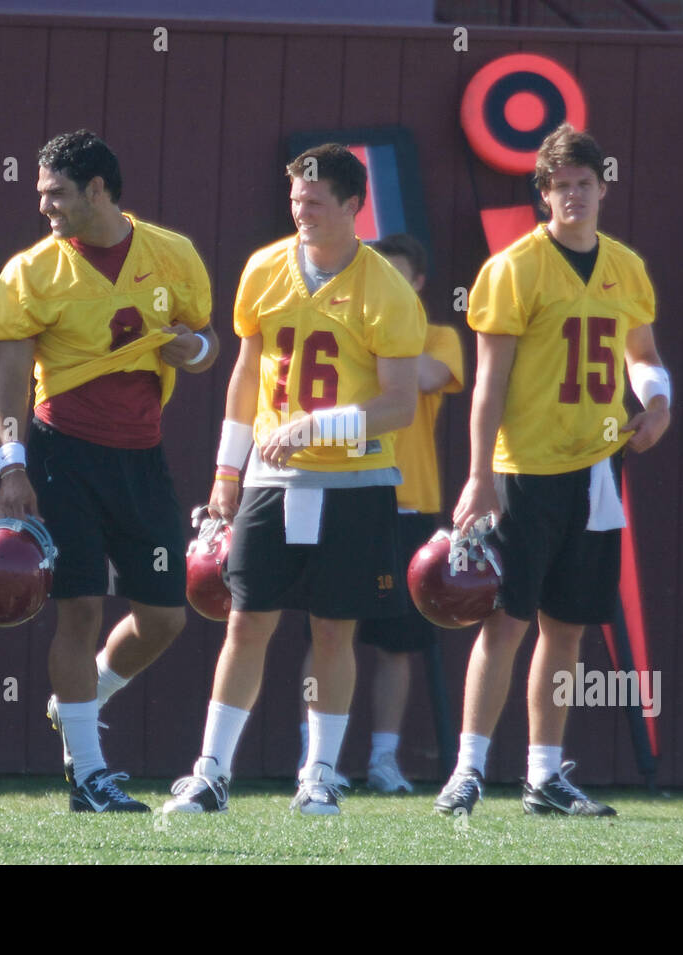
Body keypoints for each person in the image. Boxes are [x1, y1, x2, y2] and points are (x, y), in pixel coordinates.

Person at [162, 144, 425, 816]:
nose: (300, 212)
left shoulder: (386, 288)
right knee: (246, 621)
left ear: (350, 205)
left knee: (335, 629)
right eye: (294, 200)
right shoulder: (264, 269)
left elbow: (399, 402)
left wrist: (318, 427)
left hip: (354, 482)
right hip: (272, 479)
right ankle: (211, 770)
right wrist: (227, 468)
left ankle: (319, 773)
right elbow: (246, 373)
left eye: (314, 201)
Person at [434, 123, 671, 818]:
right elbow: (489, 383)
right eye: (560, 185)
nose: (573, 195)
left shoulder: (624, 266)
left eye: (583, 183)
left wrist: (658, 403)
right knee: (506, 621)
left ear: (603, 187)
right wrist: (478, 475)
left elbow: (643, 352)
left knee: (567, 627)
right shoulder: (513, 267)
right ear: (543, 194)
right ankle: (469, 768)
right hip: (525, 468)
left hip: (596, 466)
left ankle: (543, 773)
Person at [0, 130, 217, 813]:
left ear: (98, 189)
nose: (45, 206)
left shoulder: (171, 253)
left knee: (164, 616)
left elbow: (206, 346)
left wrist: (192, 349)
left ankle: (81, 699)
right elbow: (9, 383)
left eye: (57, 192)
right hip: (64, 455)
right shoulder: (31, 270)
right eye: (40, 193)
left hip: (142, 455)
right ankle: (88, 772)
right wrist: (12, 464)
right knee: (80, 605)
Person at [294, 233, 464, 793]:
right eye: (377, 275)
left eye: (396, 276)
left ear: (416, 284)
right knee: (327, 633)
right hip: (343, 488)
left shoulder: (439, 337)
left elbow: (422, 379)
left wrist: (382, 334)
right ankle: (316, 760)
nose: (382, 285)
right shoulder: (344, 326)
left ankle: (384, 760)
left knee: (398, 641)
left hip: (409, 502)